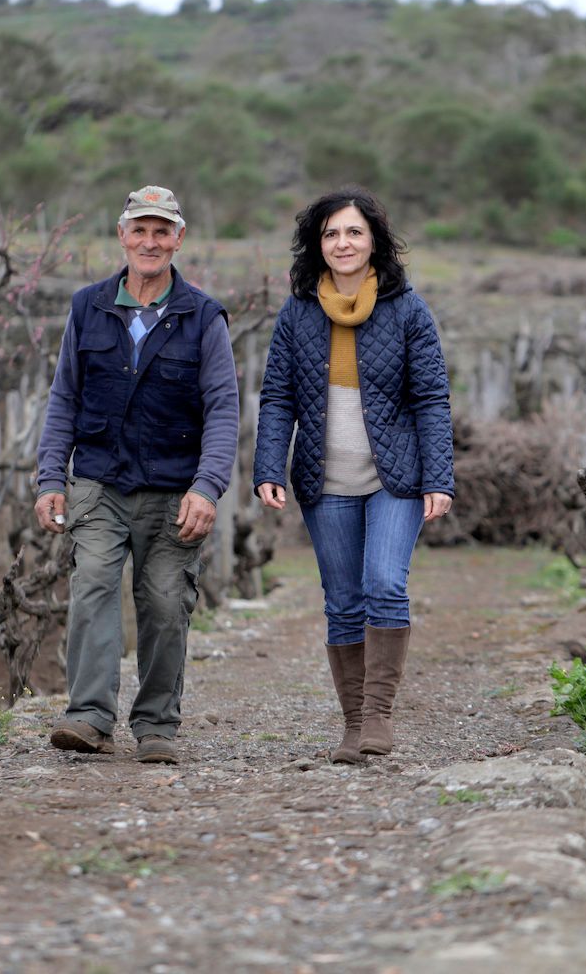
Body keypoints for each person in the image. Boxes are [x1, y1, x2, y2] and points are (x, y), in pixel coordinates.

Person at [35, 185, 238, 766]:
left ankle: (155, 726)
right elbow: (64, 399)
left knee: (166, 601)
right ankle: (90, 718)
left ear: (178, 239)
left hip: (175, 489)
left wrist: (207, 487)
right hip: (100, 481)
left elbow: (223, 407)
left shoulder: (203, 317)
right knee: (93, 583)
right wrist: (52, 478)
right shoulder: (88, 306)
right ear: (122, 236)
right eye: (140, 230)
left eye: (162, 231)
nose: (150, 242)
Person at [253, 186, 454, 763]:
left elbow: (433, 399)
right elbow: (277, 397)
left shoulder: (409, 309)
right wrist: (269, 465)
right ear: (318, 245)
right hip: (324, 480)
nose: (343, 243)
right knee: (342, 601)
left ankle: (379, 717)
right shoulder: (297, 312)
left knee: (385, 585)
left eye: (354, 232)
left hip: (396, 477)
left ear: (374, 243)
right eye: (331, 233)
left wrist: (438, 478)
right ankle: (352, 723)